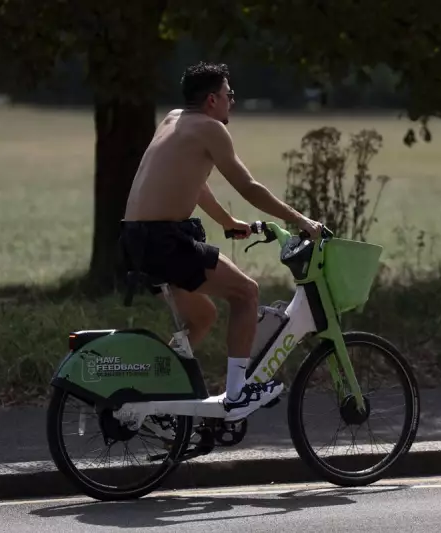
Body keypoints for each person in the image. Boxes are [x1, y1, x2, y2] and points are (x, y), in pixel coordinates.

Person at [121, 61, 323, 422]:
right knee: (246, 292)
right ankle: (237, 393)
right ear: (212, 99)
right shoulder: (211, 128)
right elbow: (248, 187)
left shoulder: (175, 120)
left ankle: (155, 398)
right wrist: (301, 221)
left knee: (203, 319)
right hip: (163, 239)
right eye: (230, 95)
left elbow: (192, 180)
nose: (233, 101)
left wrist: (227, 222)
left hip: (136, 237)